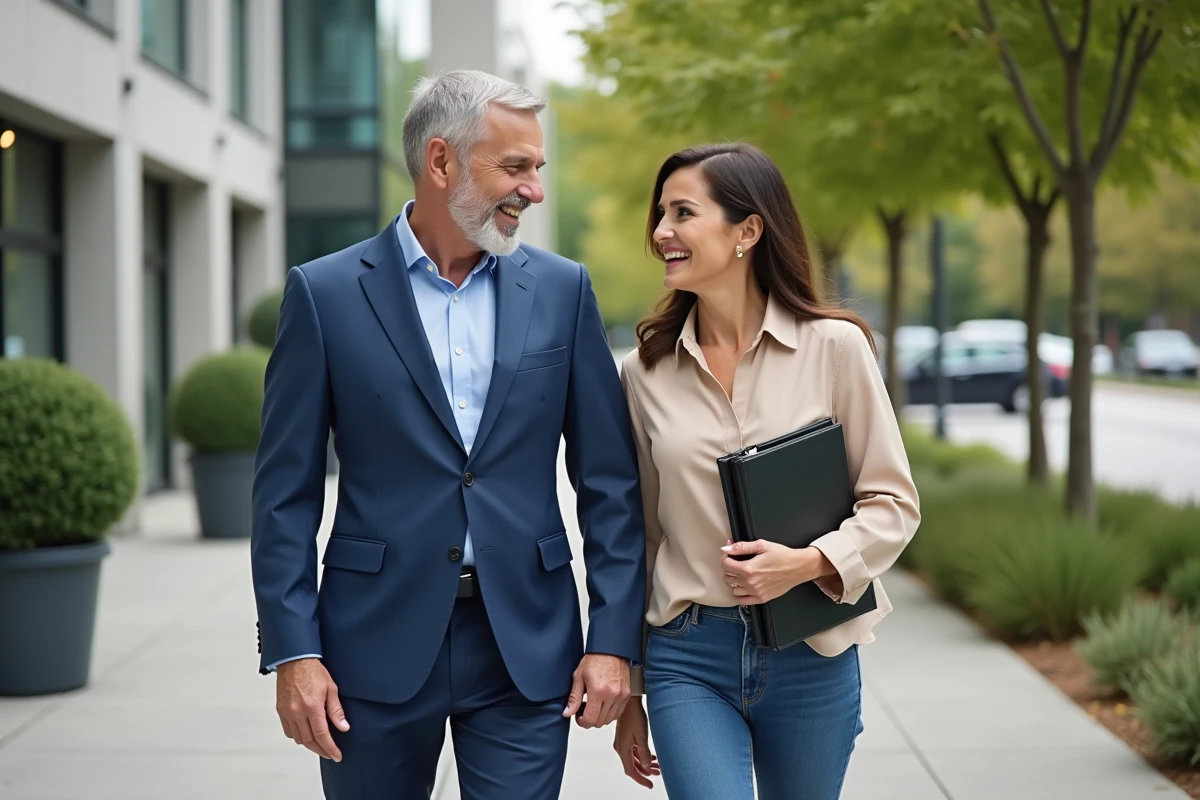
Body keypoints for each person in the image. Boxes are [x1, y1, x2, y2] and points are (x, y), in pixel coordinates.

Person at [250, 69, 647, 800]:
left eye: (538, 168)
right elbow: (284, 496)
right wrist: (293, 652)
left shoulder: (565, 291)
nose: (533, 189)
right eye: (516, 167)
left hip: (525, 647)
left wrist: (614, 639)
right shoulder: (325, 293)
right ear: (441, 162)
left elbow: (610, 486)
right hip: (368, 650)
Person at [612, 143, 921, 799]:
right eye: (660, 213)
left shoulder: (836, 348)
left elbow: (893, 502)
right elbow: (641, 535)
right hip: (687, 656)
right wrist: (632, 689)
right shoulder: (644, 373)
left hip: (812, 653)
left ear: (748, 229)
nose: (662, 231)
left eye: (683, 212)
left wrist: (808, 563)